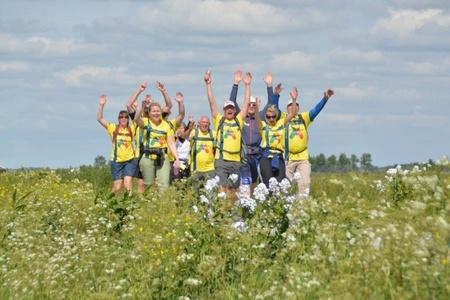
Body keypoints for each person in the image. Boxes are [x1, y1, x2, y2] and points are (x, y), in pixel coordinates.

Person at [204, 69, 250, 192]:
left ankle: (231, 211)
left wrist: (247, 85)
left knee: (233, 191)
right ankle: (222, 211)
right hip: (222, 161)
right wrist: (208, 84)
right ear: (224, 110)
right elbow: (212, 102)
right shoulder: (219, 120)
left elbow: (246, 103)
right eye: (227, 108)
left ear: (235, 110)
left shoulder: (238, 120)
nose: (229, 110)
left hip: (236, 161)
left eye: (231, 108)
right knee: (222, 189)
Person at [284, 88, 334, 198]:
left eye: (296, 105)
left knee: (304, 184)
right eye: (291, 106)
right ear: (286, 109)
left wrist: (325, 99)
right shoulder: (283, 119)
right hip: (289, 158)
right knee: (284, 186)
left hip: (303, 158)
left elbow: (316, 110)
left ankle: (302, 207)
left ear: (299, 107)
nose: (293, 107)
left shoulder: (304, 117)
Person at [135, 101, 181, 189]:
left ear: (161, 112)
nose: (156, 113)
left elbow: (171, 142)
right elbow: (137, 119)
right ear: (149, 113)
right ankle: (149, 202)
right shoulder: (145, 122)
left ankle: (162, 202)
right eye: (153, 111)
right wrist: (140, 108)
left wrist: (177, 158)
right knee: (149, 185)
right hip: (147, 156)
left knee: (163, 185)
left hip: (162, 157)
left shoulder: (166, 125)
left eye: (158, 111)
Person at [97, 94, 137, 194]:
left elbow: (137, 118)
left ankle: (129, 204)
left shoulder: (131, 128)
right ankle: (108, 201)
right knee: (118, 186)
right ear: (118, 119)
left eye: (126, 117)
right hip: (116, 161)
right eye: (121, 117)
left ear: (128, 119)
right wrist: (101, 105)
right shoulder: (113, 128)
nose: (123, 119)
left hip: (129, 160)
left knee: (128, 183)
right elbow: (100, 119)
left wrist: (135, 107)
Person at [259, 88, 298, 187]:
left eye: (273, 116)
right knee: (268, 184)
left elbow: (293, 114)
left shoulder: (281, 123)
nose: (271, 119)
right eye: (268, 117)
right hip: (266, 157)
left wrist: (294, 100)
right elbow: (256, 119)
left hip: (279, 157)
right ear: (265, 117)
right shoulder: (263, 125)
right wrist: (256, 109)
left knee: (280, 184)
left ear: (276, 116)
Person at [126, 82, 148, 193]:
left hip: (154, 152)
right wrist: (139, 90)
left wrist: (148, 104)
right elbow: (128, 105)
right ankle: (141, 203)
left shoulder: (152, 118)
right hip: (140, 152)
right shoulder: (136, 119)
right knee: (141, 182)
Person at [187, 115, 216, 183]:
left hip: (210, 169)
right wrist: (189, 128)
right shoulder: (194, 132)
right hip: (195, 169)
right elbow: (184, 138)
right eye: (203, 122)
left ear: (209, 124)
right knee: (195, 192)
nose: (205, 124)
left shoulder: (213, 134)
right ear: (199, 123)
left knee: (210, 192)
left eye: (207, 122)